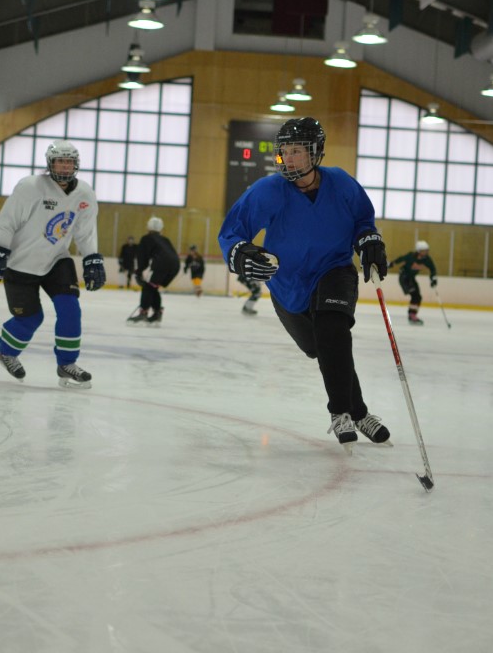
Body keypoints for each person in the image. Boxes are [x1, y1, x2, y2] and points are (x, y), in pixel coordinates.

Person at [218, 116, 391, 450]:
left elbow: (362, 220)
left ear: (316, 153)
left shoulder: (341, 183)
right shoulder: (268, 191)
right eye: (285, 151)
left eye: (298, 151)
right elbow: (232, 232)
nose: (289, 158)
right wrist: (241, 254)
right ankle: (358, 411)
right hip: (288, 285)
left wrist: (370, 240)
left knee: (333, 330)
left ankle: (341, 412)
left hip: (335, 269)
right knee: (321, 348)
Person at [0, 141, 105, 388]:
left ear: (76, 165)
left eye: (69, 161)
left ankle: (66, 363)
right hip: (20, 264)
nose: (64, 166)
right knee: (30, 319)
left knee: (70, 309)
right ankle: (6, 352)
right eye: (60, 161)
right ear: (50, 163)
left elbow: (85, 232)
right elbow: (7, 221)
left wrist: (92, 257)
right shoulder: (30, 187)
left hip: (56, 260)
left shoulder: (84, 193)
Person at [127, 217, 180, 326]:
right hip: (175, 265)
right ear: (161, 228)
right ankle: (157, 314)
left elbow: (142, 257)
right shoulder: (165, 239)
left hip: (161, 264)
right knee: (153, 286)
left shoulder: (146, 238)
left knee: (147, 287)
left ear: (148, 227)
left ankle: (143, 313)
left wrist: (138, 272)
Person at [387, 241, 438, 325]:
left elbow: (433, 269)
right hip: (404, 277)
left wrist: (433, 279)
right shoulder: (411, 256)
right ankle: (411, 315)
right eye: (423, 250)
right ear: (418, 251)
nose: (426, 252)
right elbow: (401, 259)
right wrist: (391, 264)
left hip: (411, 278)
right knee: (415, 295)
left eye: (426, 250)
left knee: (418, 297)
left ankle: (412, 315)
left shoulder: (427, 260)